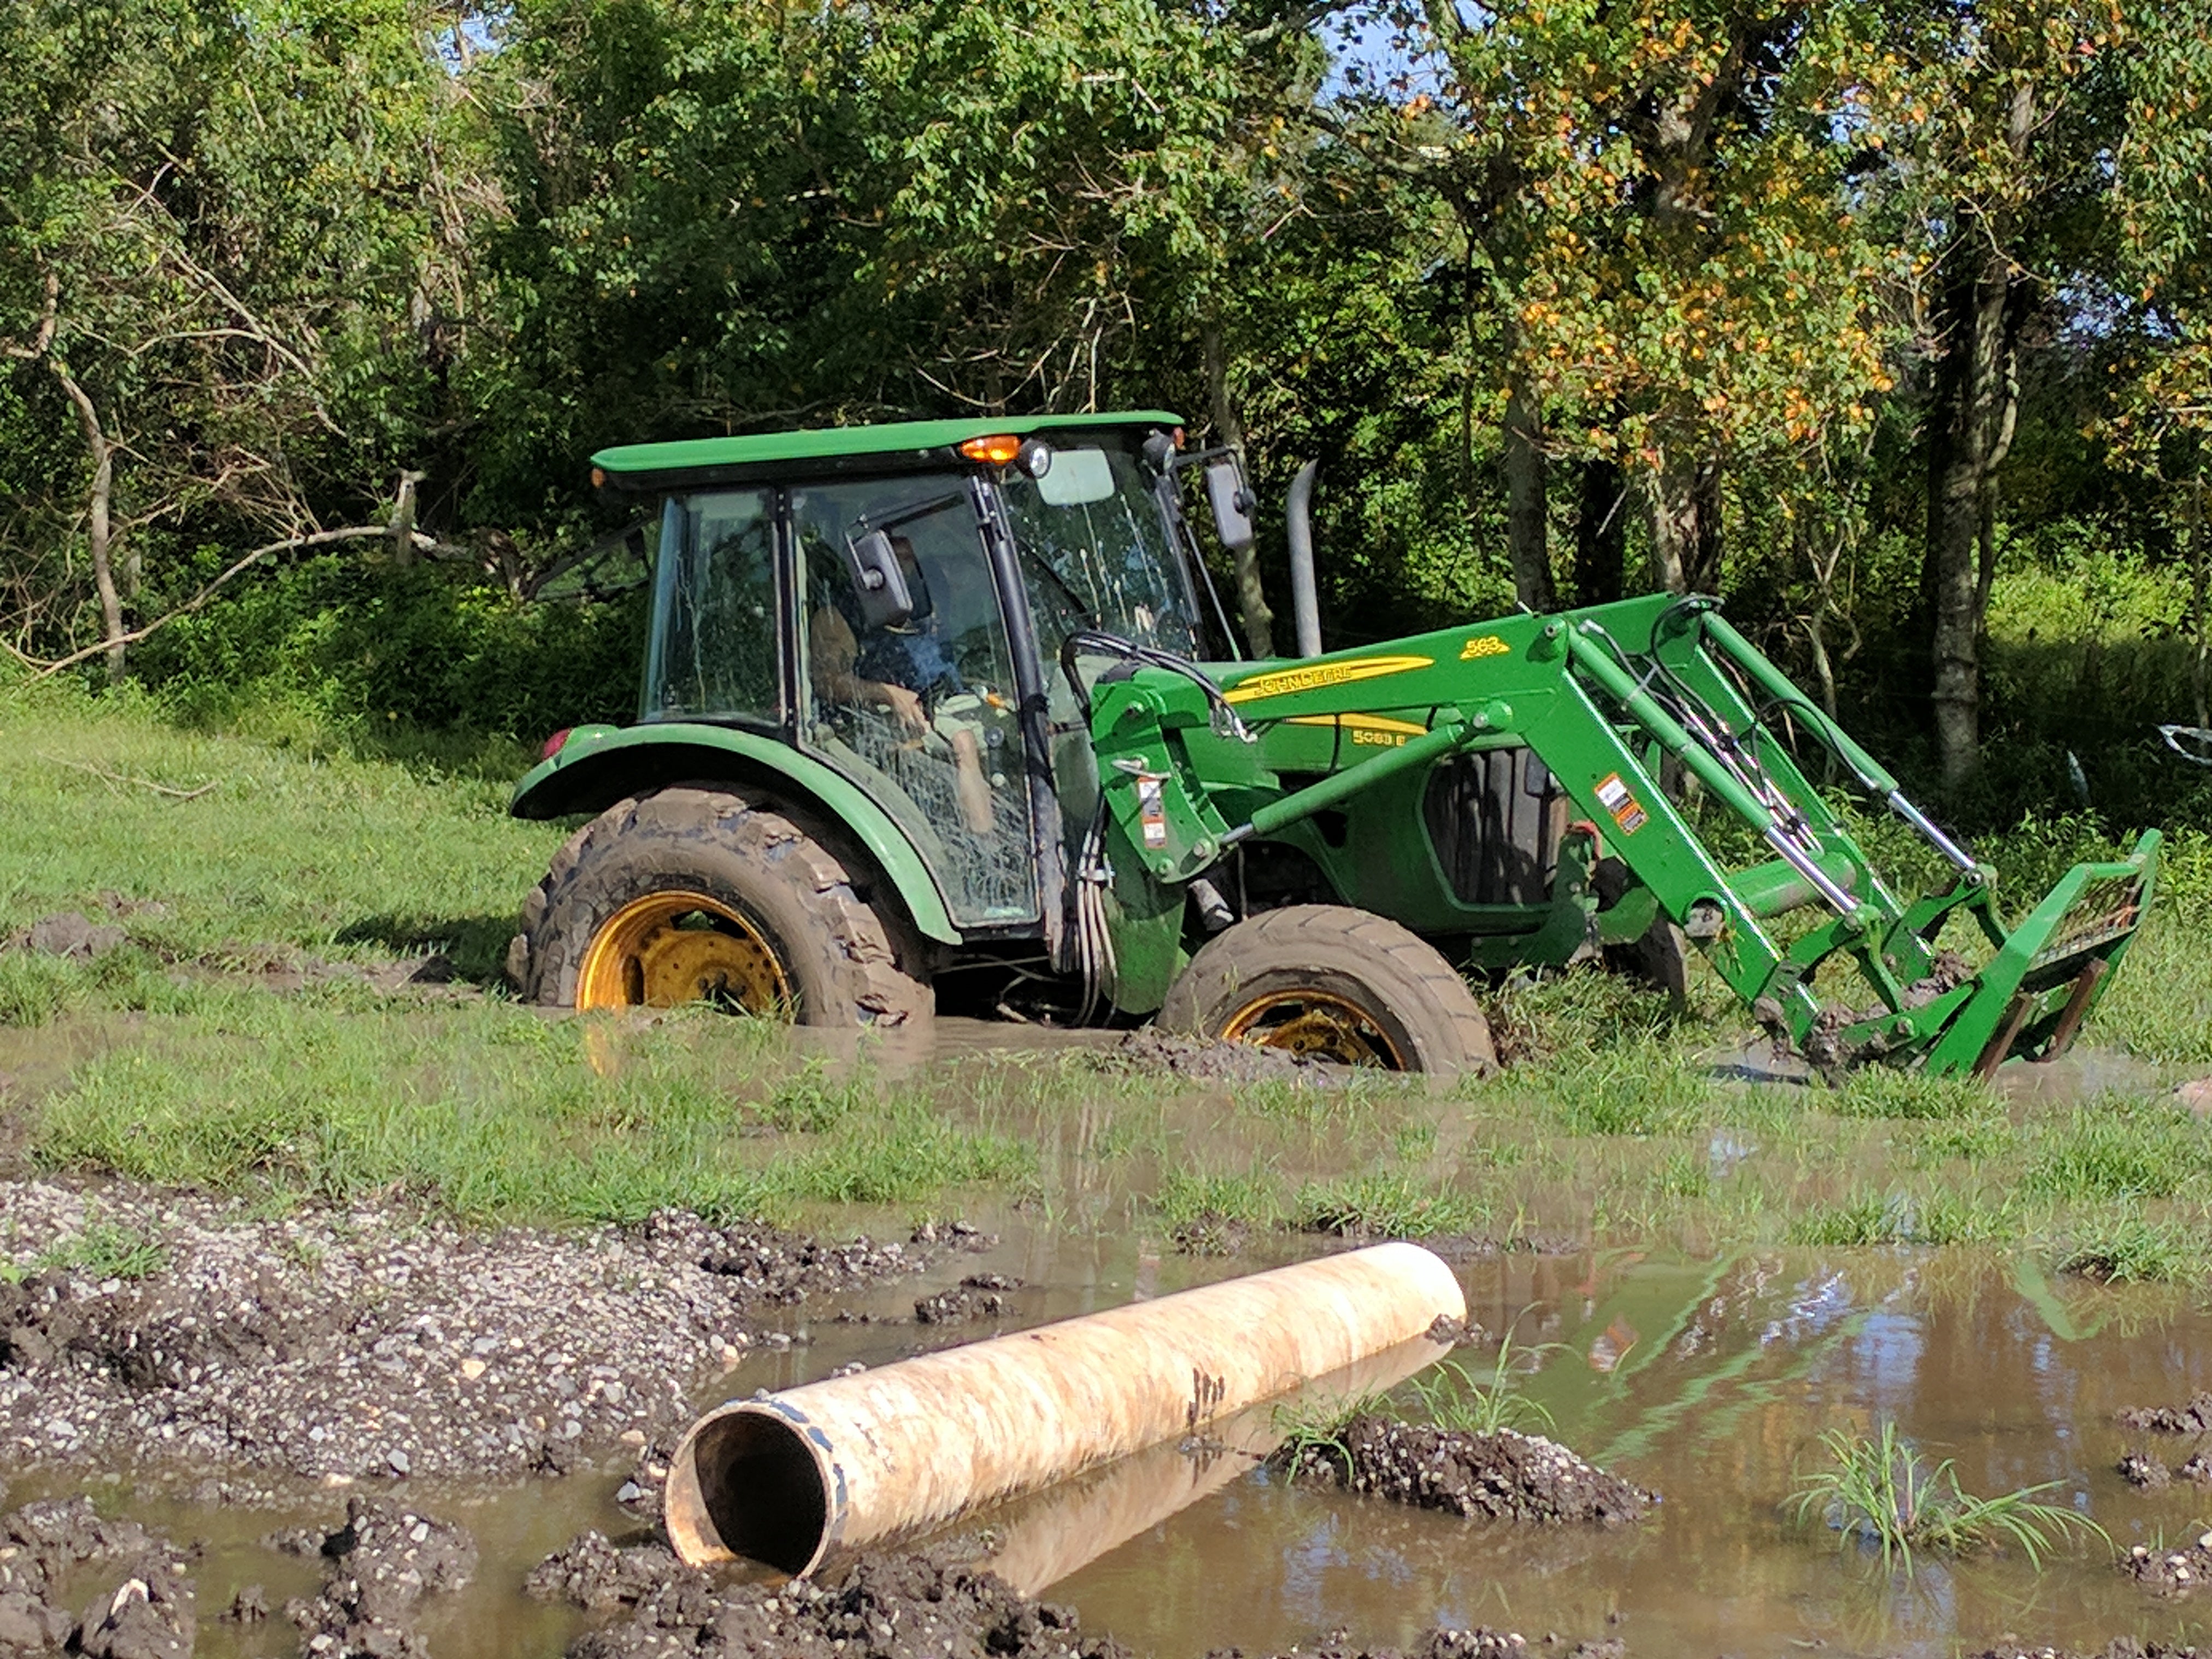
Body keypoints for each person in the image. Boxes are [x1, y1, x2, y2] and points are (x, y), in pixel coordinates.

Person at [810, 535, 997, 836]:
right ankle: (987, 845)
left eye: (909, 544)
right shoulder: (840, 615)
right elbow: (827, 683)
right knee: (963, 742)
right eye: (894, 545)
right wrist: (890, 695)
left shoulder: (926, 593)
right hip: (880, 721)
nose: (909, 552)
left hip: (948, 699)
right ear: (874, 556)